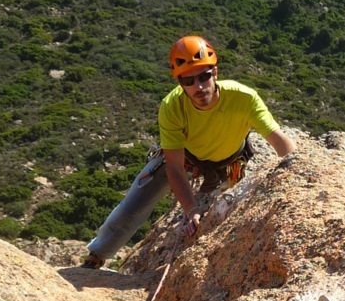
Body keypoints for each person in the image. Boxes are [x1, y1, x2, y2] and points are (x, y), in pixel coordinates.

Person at [84, 35, 295, 267]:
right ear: (179, 83)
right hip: (188, 160)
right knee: (135, 203)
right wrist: (191, 208)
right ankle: (97, 254)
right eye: (189, 81)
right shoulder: (172, 107)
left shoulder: (244, 98)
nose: (199, 87)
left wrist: (297, 170)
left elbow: (278, 140)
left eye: (204, 77)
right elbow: (174, 165)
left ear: (215, 73)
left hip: (231, 164)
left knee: (233, 214)